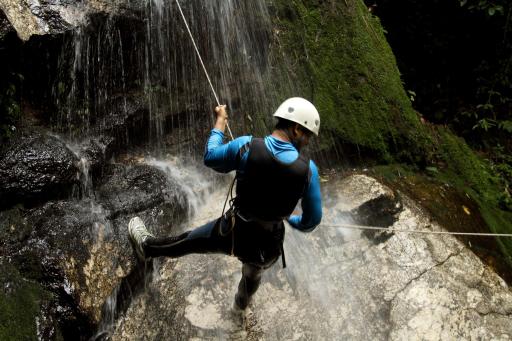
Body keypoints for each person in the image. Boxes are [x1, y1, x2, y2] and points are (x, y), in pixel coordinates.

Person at [128, 97, 322, 310]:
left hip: (233, 232)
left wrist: (220, 121)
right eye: (308, 135)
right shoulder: (309, 170)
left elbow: (210, 157)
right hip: (268, 245)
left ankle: (147, 248)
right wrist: (294, 220)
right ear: (296, 129)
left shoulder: (246, 146)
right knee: (252, 276)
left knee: (187, 241)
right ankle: (239, 308)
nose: (308, 141)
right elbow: (312, 221)